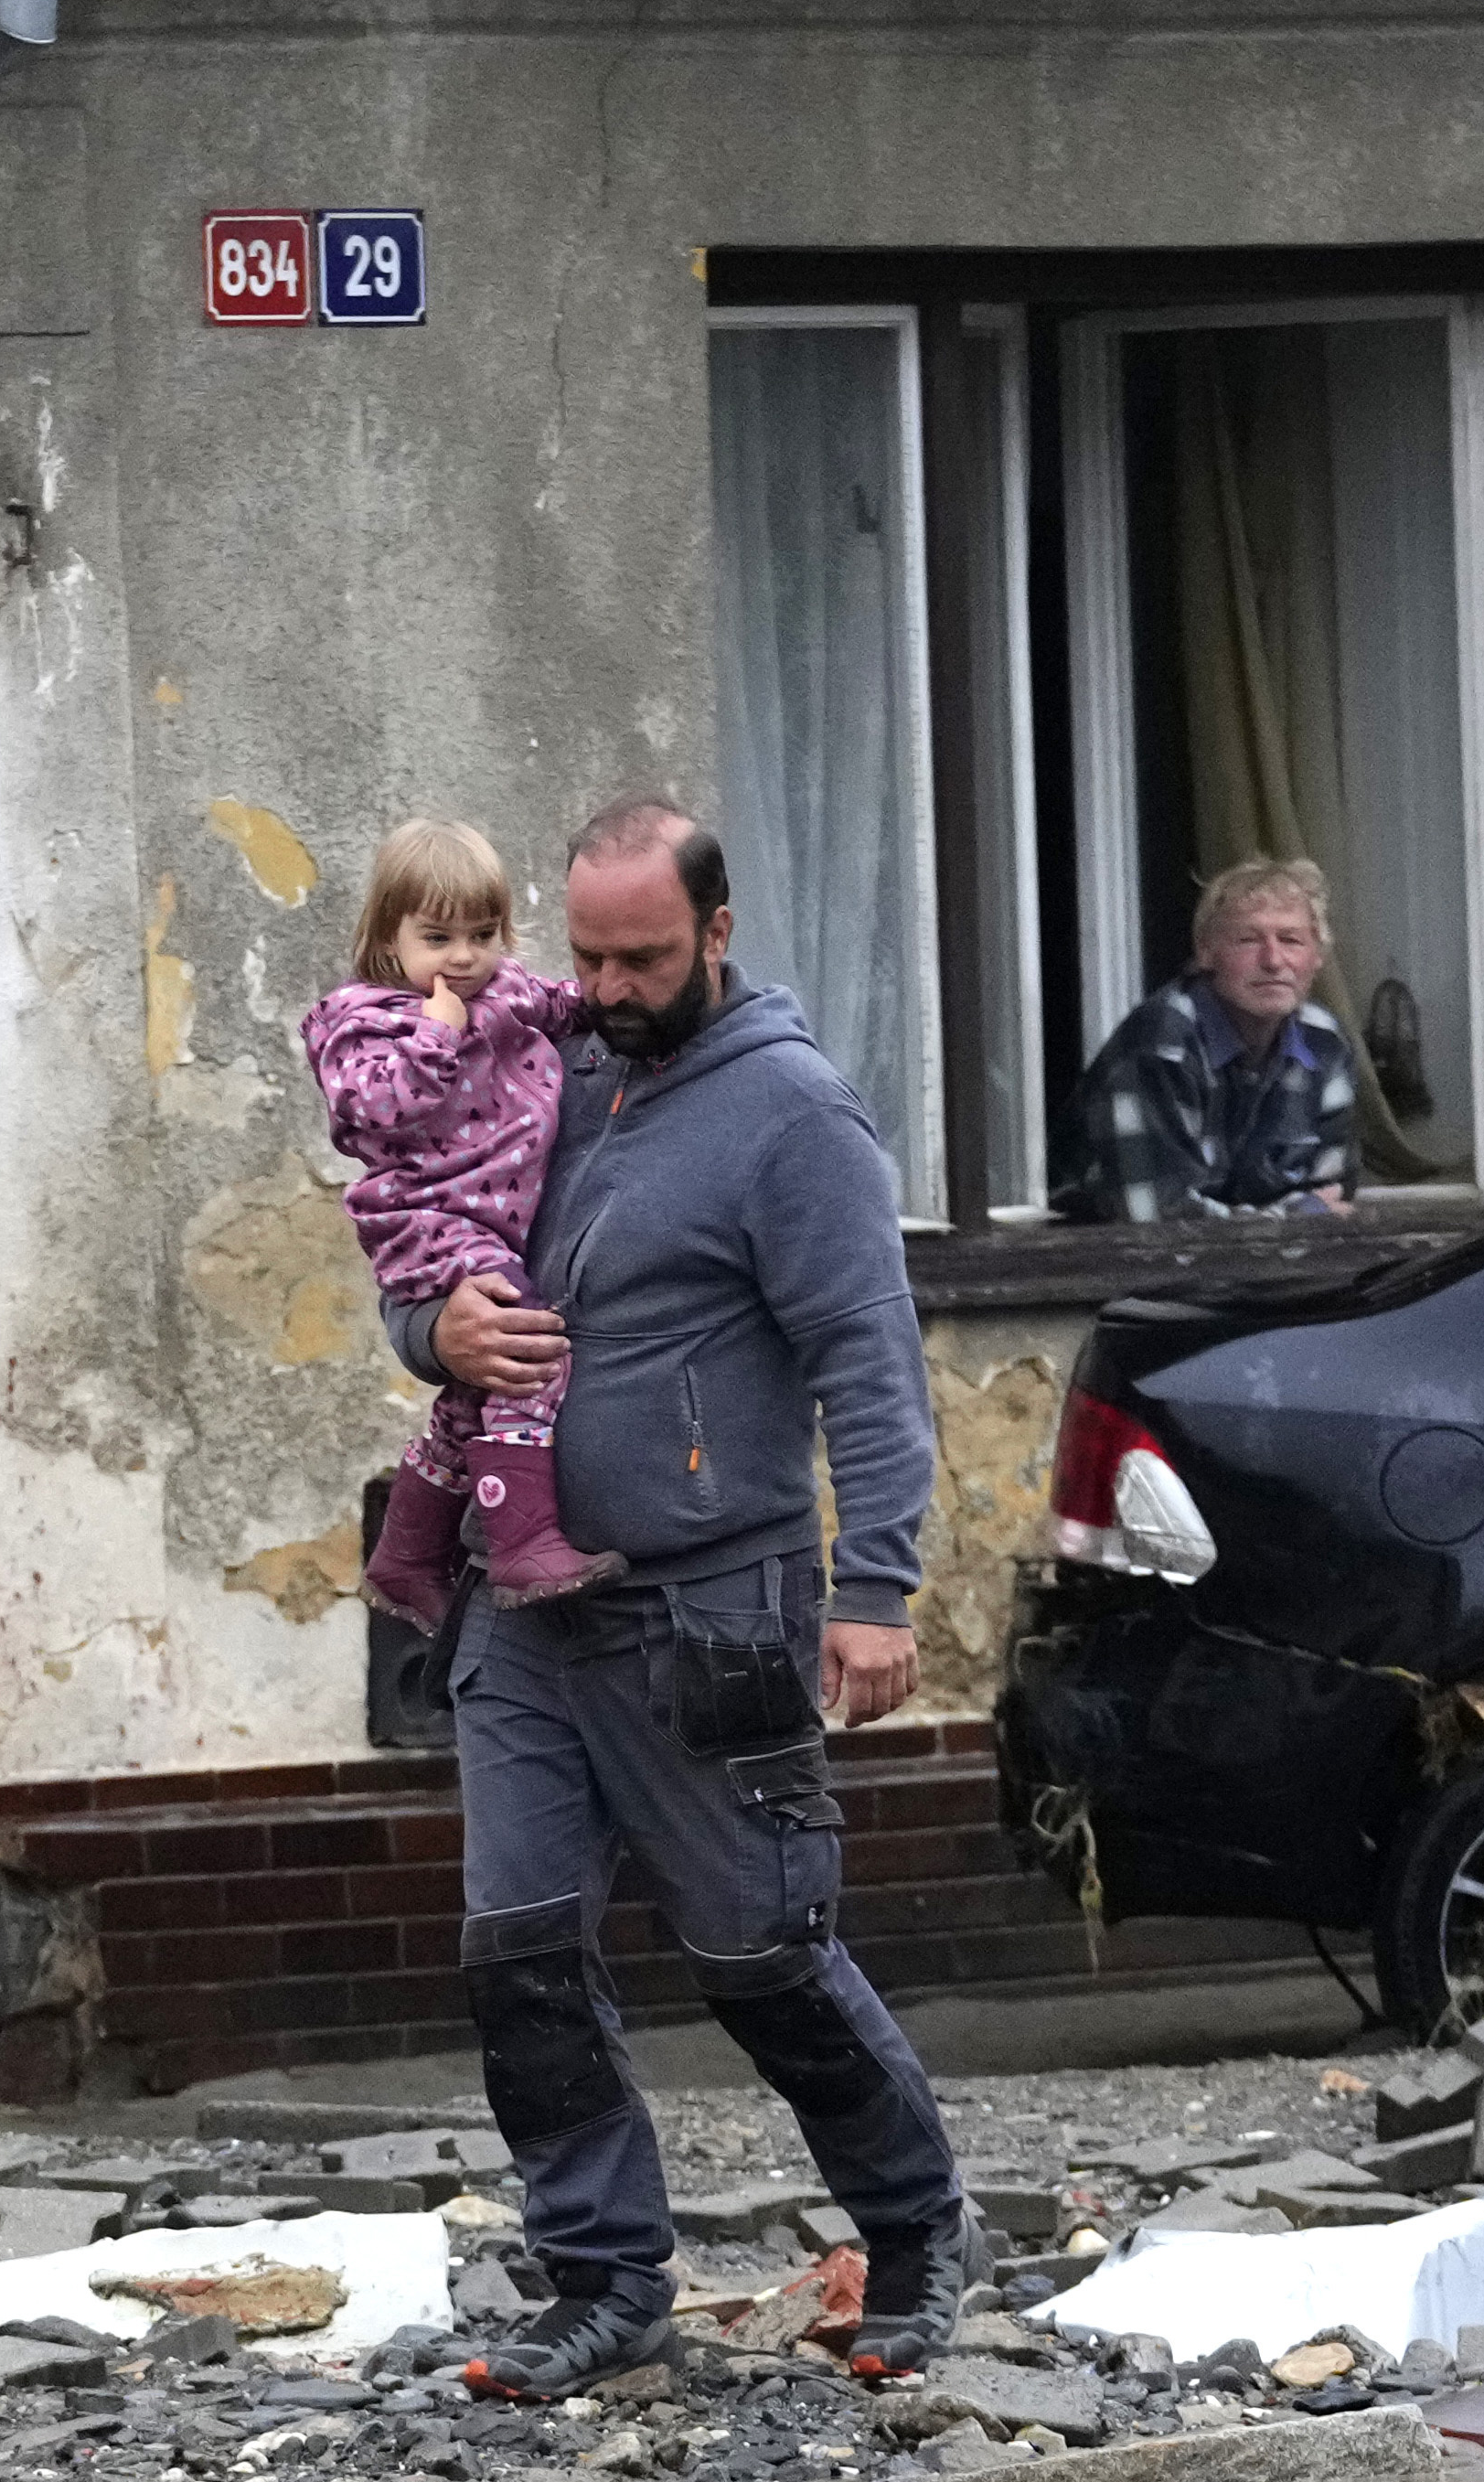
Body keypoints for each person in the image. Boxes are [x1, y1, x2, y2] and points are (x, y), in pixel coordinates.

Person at [403, 798, 983, 2402]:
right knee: (517, 1952)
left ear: (716, 933)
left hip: (709, 1608)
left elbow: (868, 1361)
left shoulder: (794, 1119)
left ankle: (921, 2235)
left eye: (642, 955)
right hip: (522, 1609)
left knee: (762, 1951)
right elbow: (426, 1243)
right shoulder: (544, 1075)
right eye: (583, 953)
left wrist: (874, 1587)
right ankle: (601, 2281)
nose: (606, 984)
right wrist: (428, 1333)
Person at [298, 818, 618, 1631]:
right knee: (526, 1355)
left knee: (472, 1400)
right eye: (437, 937)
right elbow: (370, 1110)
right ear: (388, 938)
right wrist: (434, 1038)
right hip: (429, 1220)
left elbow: (562, 1004)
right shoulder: (366, 1021)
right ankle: (524, 1542)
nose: (464, 957)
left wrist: (611, 996)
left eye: (482, 935)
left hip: (492, 1226)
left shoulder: (503, 990)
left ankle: (406, 1557)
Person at [1056, 858, 1360, 1220]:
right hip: (1100, 1267)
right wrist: (1287, 1219)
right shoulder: (1160, 1046)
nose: (1274, 960)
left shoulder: (1324, 1042)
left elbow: (1330, 1199)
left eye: (1291, 940)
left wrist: (1290, 1217)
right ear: (1206, 953)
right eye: (1248, 940)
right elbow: (1155, 1222)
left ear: (1318, 957)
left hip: (1268, 1269)